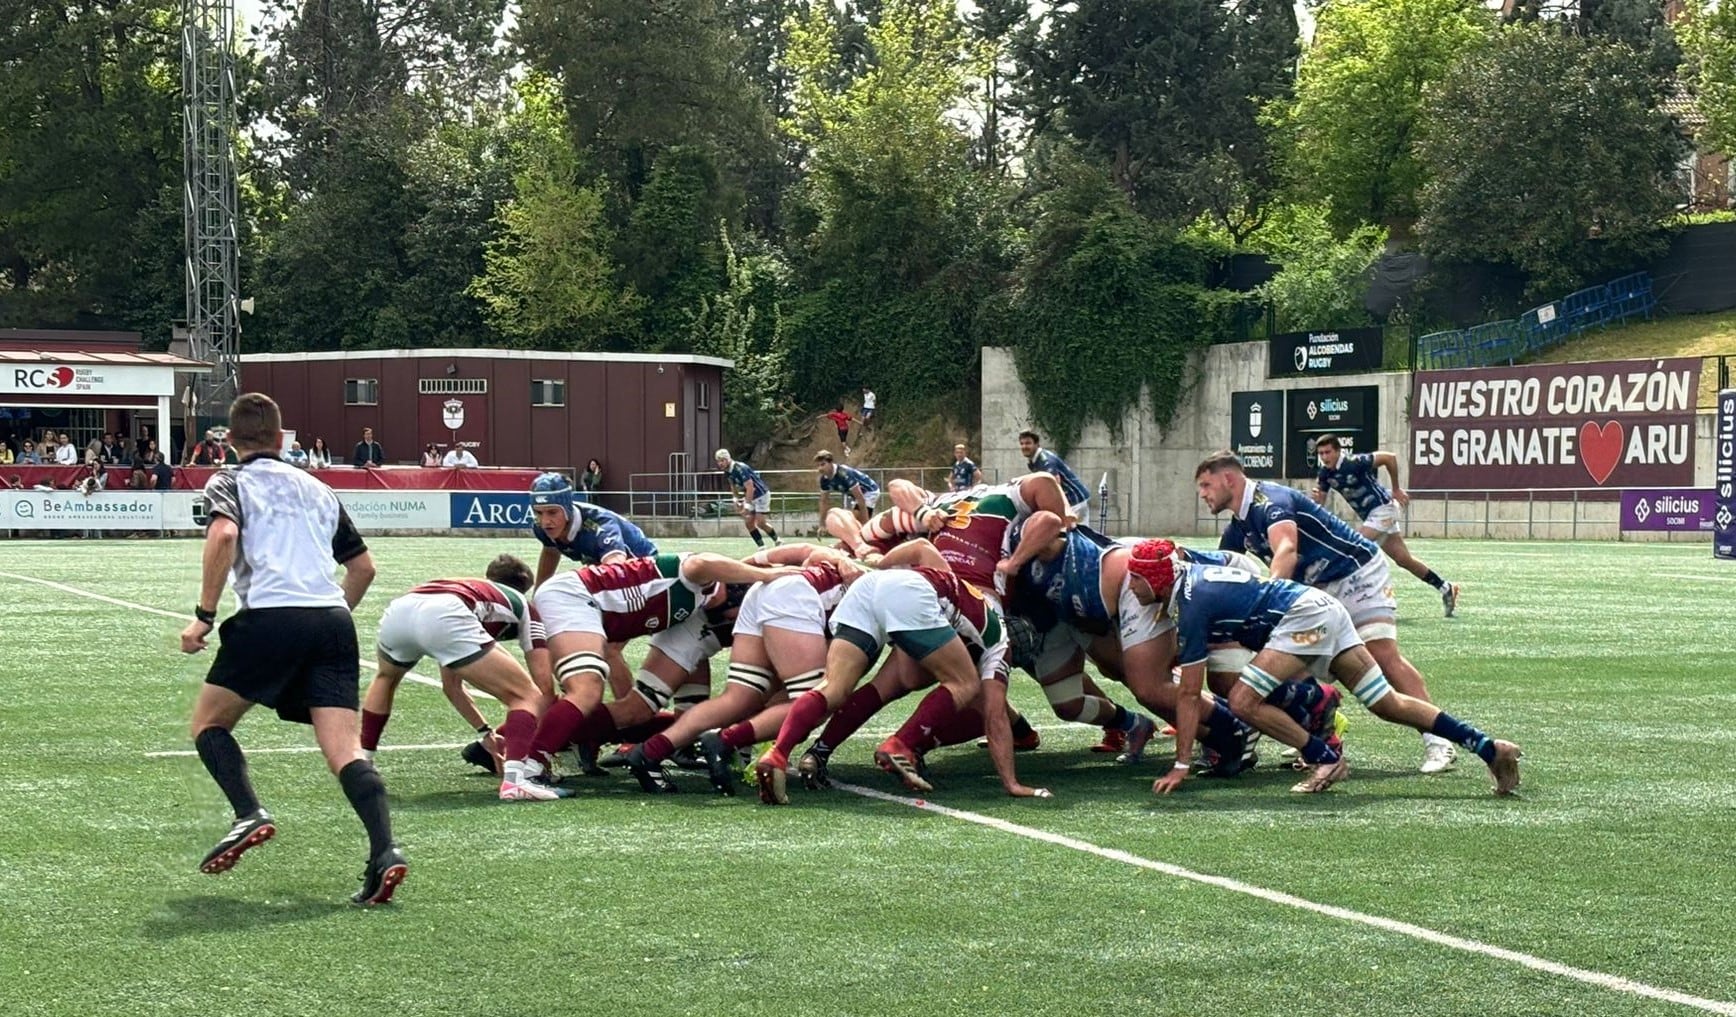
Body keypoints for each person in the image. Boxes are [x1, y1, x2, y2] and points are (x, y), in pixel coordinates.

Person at [176, 392, 405, 906]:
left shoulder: (229, 480)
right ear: (282, 440)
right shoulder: (318, 488)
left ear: (229, 441)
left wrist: (204, 616)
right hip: (332, 621)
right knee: (346, 750)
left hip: (270, 617)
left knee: (209, 725)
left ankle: (248, 811)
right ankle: (385, 850)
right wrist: (330, 617)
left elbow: (224, 536)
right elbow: (363, 568)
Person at [1129, 540, 1521, 797]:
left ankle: (1324, 757)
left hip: (1301, 616)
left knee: (1242, 700)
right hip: (1317, 608)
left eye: (1135, 578)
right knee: (1386, 703)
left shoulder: (1191, 601)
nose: (1130, 587)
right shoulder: (1190, 573)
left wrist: (1180, 764)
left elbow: (1188, 692)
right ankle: (1489, 747)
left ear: (1156, 578)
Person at [1196, 450, 1460, 774]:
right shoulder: (1239, 525)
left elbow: (1286, 551)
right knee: (1283, 660)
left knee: (1382, 654)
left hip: (1355, 571)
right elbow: (1224, 575)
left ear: (1229, 479)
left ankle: (1439, 741)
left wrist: (1266, 606)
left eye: (1206, 485)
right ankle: (1318, 731)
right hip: (1317, 591)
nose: (1203, 494)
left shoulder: (1270, 501)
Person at [506, 551, 799, 798]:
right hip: (575, 596)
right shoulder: (703, 582)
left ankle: (539, 747)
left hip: (589, 606)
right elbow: (700, 563)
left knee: (636, 711)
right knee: (586, 690)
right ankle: (528, 765)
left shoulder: (700, 605)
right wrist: (766, 575)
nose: (731, 619)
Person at [752, 564, 1026, 804]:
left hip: (871, 587)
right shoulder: (999, 643)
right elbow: (995, 714)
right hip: (911, 593)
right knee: (965, 684)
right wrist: (1011, 782)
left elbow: (902, 679)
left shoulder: (969, 621)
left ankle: (786, 753)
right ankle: (900, 744)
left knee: (837, 687)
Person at [362, 554, 555, 801]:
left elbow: (451, 686)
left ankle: (362, 763)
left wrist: (486, 733)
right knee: (527, 696)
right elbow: (544, 684)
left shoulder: (473, 589)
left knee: (386, 679)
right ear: (524, 587)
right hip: (446, 614)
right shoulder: (521, 604)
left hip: (401, 608)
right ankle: (516, 782)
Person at [1311, 433, 1460, 617]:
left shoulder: (1354, 462)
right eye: (1321, 454)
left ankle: (1358, 602)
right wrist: (1316, 501)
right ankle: (1445, 587)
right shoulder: (1325, 473)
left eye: (1328, 452)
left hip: (1383, 509)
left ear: (1338, 451)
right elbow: (1321, 503)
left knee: (1352, 548)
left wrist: (1396, 489)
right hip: (1374, 517)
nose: (1324, 457)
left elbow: (1390, 458)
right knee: (1403, 560)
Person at [716, 448, 779, 548]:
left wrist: (746, 505)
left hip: (760, 494)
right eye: (718, 461)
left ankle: (778, 540)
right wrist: (735, 499)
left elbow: (750, 487)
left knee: (760, 523)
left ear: (728, 459)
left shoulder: (740, 468)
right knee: (749, 522)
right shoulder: (727, 471)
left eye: (722, 460)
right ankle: (761, 547)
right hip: (751, 495)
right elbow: (733, 486)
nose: (720, 463)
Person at [1017, 430, 1088, 517]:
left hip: (1075, 501)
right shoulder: (1034, 460)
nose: (1024, 446)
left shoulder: (1045, 461)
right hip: (1068, 502)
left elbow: (1055, 484)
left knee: (1074, 530)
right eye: (1022, 443)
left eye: (1028, 443)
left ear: (1037, 444)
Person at [814, 450, 879, 524]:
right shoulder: (824, 480)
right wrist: (822, 524)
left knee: (855, 522)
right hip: (855, 496)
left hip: (870, 491)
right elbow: (823, 501)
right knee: (854, 523)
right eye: (818, 466)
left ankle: (870, 528)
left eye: (823, 464)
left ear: (831, 463)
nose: (820, 469)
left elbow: (860, 498)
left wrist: (866, 523)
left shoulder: (843, 474)